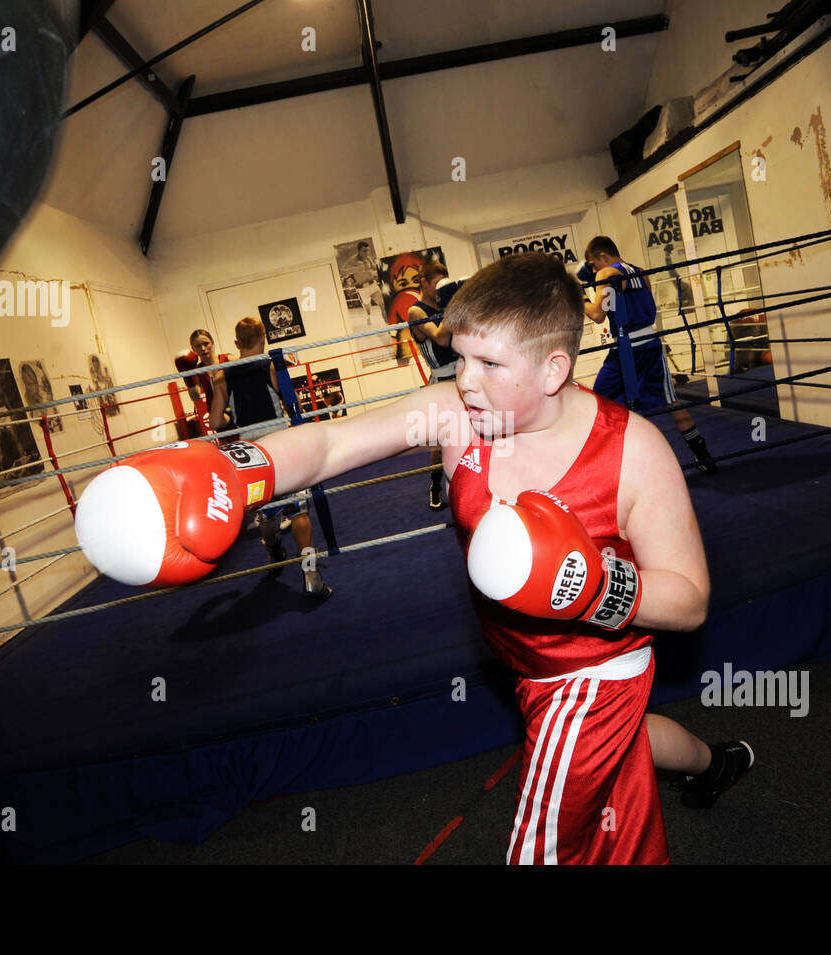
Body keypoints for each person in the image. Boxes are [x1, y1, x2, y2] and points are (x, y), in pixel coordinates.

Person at [79, 254, 753, 863]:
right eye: (461, 359)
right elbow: (332, 447)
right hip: (521, 659)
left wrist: (590, 583)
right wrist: (238, 467)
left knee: (545, 843)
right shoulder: (457, 415)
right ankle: (714, 764)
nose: (467, 382)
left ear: (554, 367)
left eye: (491, 365)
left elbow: (689, 599)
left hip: (592, 672)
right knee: (623, 746)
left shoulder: (634, 451)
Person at [209, 316, 331, 600]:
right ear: (264, 336)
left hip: (249, 451)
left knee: (264, 509)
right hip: (279, 444)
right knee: (298, 509)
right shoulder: (274, 364)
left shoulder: (222, 375)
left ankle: (274, 551)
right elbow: (294, 405)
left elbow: (216, 421)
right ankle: (311, 572)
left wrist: (232, 415)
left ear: (237, 343)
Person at [580, 235, 718, 473]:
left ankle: (605, 468)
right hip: (651, 344)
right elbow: (632, 304)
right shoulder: (641, 272)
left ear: (603, 256)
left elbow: (597, 314)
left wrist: (579, 294)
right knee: (671, 401)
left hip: (625, 350)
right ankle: (703, 456)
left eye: (594, 264)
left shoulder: (606, 274)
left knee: (599, 404)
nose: (593, 270)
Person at [407, 259, 461, 510]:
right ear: (424, 283)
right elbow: (440, 338)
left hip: (462, 373)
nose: (440, 288)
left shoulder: (446, 305)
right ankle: (436, 483)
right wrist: (454, 306)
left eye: (444, 284)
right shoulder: (416, 311)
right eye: (437, 283)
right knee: (440, 441)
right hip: (440, 379)